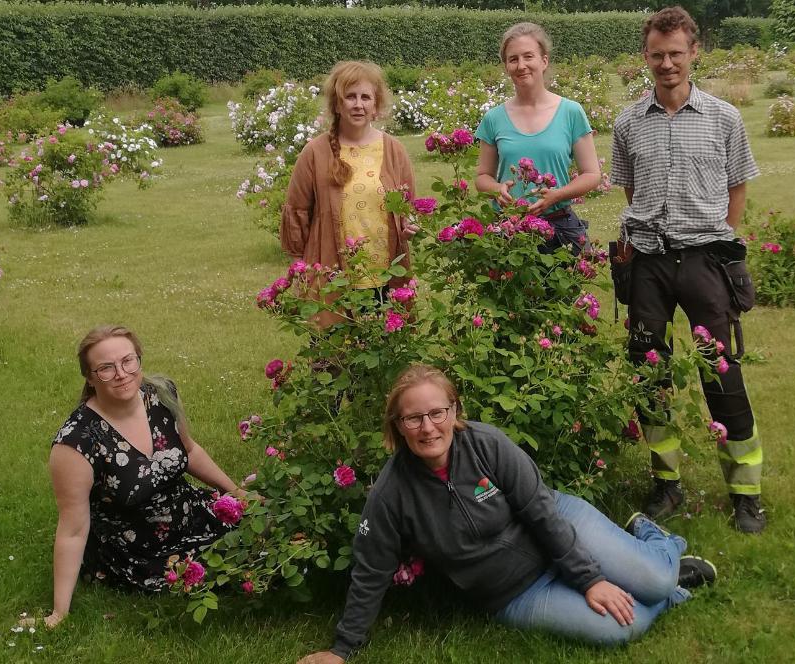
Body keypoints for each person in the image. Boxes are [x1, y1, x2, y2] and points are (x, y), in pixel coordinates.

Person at [296, 365, 717, 663]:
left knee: (656, 578)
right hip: (515, 594)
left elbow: (540, 512)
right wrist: (342, 649)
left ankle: (658, 542)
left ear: (454, 411)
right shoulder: (391, 495)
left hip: (558, 526)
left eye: (437, 412)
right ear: (397, 425)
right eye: (413, 418)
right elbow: (371, 571)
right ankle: (665, 591)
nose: (428, 428)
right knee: (622, 628)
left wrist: (588, 579)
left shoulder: (486, 444)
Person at [609, 6, 767, 533]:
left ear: (694, 52)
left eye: (676, 53)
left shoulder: (724, 117)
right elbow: (631, 191)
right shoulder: (628, 122)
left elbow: (738, 186)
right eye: (657, 55)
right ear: (645, 57)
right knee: (649, 374)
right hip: (648, 262)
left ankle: (746, 492)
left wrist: (719, 238)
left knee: (719, 373)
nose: (667, 64)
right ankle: (666, 485)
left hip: (704, 261)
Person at [35, 325, 243, 627]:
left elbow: (190, 451)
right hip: (137, 549)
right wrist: (59, 613)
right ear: (90, 378)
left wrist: (235, 491)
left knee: (264, 529)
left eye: (128, 361)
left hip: (188, 513)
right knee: (231, 571)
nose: (121, 373)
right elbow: (73, 530)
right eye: (106, 368)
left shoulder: (161, 394)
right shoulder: (77, 443)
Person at [281, 60, 417, 325]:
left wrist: (409, 224)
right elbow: (296, 212)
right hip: (333, 274)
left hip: (384, 272)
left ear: (376, 105)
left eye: (366, 97)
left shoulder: (393, 150)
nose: (358, 104)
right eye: (350, 97)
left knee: (386, 353)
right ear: (337, 104)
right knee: (336, 354)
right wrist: (300, 270)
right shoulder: (315, 153)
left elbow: (407, 206)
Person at [475, 22, 602, 255]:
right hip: (509, 230)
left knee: (560, 291)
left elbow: (592, 174)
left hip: (559, 228)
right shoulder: (494, 118)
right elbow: (482, 177)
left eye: (528, 56)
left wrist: (557, 195)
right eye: (513, 59)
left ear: (544, 61)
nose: (521, 65)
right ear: (506, 66)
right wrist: (497, 188)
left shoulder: (570, 112)